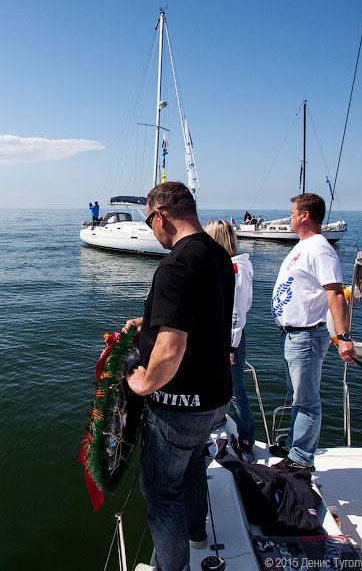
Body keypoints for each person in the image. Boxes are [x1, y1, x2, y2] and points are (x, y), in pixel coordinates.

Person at [122, 182, 234, 570]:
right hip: (214, 398)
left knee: (160, 494)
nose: (151, 229)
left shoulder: (175, 265)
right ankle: (197, 532)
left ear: (162, 215)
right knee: (192, 468)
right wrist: (149, 321)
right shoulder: (217, 255)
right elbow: (202, 316)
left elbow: (171, 349)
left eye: (150, 220)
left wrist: (143, 383)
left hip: (177, 405)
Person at [271, 193, 354, 473]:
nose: (290, 216)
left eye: (293, 212)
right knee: (299, 398)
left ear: (305, 215)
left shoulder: (320, 249)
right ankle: (295, 447)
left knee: (306, 401)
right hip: (293, 335)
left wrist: (343, 337)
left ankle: (301, 459)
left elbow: (335, 294)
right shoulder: (304, 247)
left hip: (306, 336)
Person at [204, 219, 255, 463]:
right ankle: (220, 423)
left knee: (236, 391)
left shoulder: (235, 269)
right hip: (220, 337)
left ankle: (246, 440)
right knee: (220, 386)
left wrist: (231, 345)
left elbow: (236, 311)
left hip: (228, 339)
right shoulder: (226, 266)